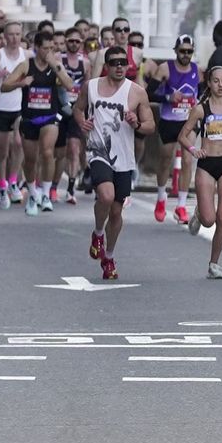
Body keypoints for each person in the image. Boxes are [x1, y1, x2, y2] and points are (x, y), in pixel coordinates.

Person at [74, 47, 155, 280]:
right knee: (106, 196)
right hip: (99, 151)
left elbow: (150, 126)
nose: (119, 66)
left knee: (117, 212)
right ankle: (98, 233)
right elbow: (77, 109)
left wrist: (137, 123)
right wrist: (82, 122)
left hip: (124, 157)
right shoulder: (91, 87)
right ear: (107, 65)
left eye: (123, 62)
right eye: (114, 62)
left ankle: (108, 257)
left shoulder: (137, 92)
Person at [0, 30, 77, 215]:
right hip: (29, 118)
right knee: (31, 159)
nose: (49, 51)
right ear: (36, 48)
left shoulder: (56, 65)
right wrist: (21, 83)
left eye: (52, 48)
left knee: (48, 152)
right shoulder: (26, 65)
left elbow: (69, 85)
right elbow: (4, 86)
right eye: (45, 48)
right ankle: (33, 193)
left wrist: (55, 65)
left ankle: (45, 194)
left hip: (50, 117)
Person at [179, 66, 222, 279]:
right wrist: (193, 149)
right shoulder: (200, 109)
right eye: (216, 81)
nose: (221, 85)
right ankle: (199, 212)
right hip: (206, 164)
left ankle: (214, 264)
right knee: (209, 220)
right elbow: (183, 135)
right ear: (209, 83)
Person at [144, 34, 200, 225]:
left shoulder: (197, 70)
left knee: (187, 159)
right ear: (176, 51)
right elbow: (148, 93)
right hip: (169, 119)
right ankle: (161, 198)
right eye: (182, 51)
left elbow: (204, 92)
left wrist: (200, 106)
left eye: (189, 51)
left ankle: (181, 205)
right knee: (165, 159)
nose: (186, 55)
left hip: (188, 121)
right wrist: (168, 97)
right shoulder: (165, 68)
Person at [0, 20, 27, 205]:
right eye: (10, 34)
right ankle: (2, 186)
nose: (14, 38)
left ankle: (13, 182)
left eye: (17, 34)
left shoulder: (27, 55)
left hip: (19, 108)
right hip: (0, 108)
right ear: (4, 36)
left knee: (18, 145)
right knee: (2, 151)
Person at [57, 28, 89, 202]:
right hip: (59, 109)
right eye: (71, 41)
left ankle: (70, 189)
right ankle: (50, 185)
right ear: (65, 41)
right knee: (58, 151)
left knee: (74, 149)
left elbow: (88, 87)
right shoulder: (58, 59)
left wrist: (83, 108)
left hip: (76, 109)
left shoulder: (85, 63)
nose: (74, 44)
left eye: (77, 41)